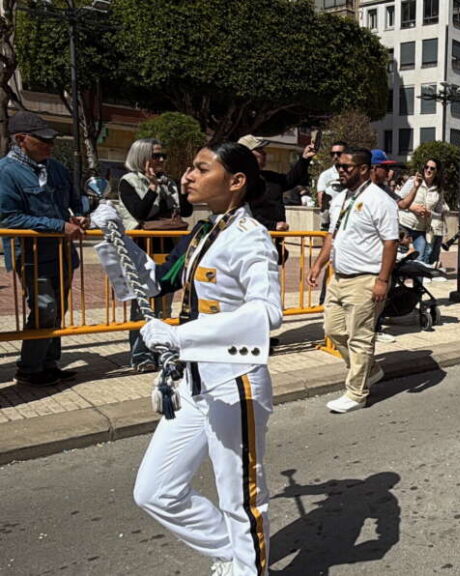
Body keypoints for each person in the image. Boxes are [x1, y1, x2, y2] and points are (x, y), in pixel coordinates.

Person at [90, 141, 282, 575]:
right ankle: (234, 555)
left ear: (236, 181)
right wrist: (115, 238)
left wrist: (180, 335)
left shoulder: (250, 238)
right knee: (156, 490)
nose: (187, 176)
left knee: (240, 497)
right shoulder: (203, 233)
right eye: (190, 168)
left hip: (234, 382)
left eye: (201, 168)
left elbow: (266, 313)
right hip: (193, 382)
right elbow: (155, 282)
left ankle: (248, 569)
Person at [306, 148, 399, 414]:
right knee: (333, 330)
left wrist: (382, 280)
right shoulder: (341, 199)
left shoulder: (380, 200)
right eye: (339, 166)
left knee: (360, 338)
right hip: (339, 277)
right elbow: (332, 235)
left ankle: (356, 393)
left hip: (365, 279)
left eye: (346, 167)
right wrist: (319, 264)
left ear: (363, 169)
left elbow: (390, 242)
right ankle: (371, 369)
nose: (341, 171)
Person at [0, 111, 86, 386]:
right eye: (43, 140)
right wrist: (58, 225)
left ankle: (49, 363)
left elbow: (74, 202)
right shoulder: (6, 172)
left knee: (57, 309)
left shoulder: (57, 168)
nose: (50, 145)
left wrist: (79, 216)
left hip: (62, 252)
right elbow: (8, 218)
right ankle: (29, 368)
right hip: (31, 255)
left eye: (51, 140)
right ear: (21, 139)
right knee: (44, 307)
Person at [116, 137, 194, 372]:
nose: (161, 160)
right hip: (142, 248)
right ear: (141, 157)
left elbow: (185, 212)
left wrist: (182, 188)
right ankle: (140, 355)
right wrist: (151, 188)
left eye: (163, 155)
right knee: (143, 304)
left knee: (165, 304)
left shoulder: (168, 182)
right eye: (156, 155)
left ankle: (162, 351)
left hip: (167, 248)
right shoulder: (128, 181)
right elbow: (139, 213)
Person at [397, 158, 444, 264]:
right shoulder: (413, 181)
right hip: (404, 225)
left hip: (421, 229)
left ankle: (418, 276)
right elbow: (398, 200)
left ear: (437, 171)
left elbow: (440, 213)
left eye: (432, 168)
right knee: (401, 259)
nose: (428, 170)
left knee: (420, 260)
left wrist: (429, 213)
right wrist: (413, 208)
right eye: (426, 167)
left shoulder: (439, 189)